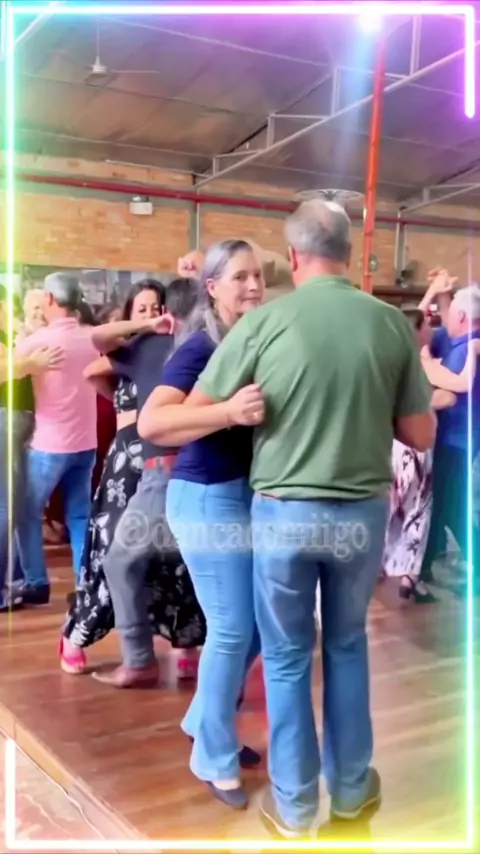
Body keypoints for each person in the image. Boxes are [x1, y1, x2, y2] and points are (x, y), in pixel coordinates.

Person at [183, 200, 435, 837]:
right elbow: (420, 435)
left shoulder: (264, 323)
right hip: (361, 515)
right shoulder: (389, 323)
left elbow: (194, 409)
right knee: (347, 646)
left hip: (283, 516)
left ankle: (294, 808)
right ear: (350, 252)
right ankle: (351, 794)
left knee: (288, 658)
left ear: (293, 256)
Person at [139, 240, 266, 809]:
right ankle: (212, 756)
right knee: (233, 628)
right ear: (212, 289)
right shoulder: (201, 346)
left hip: (242, 496)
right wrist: (228, 412)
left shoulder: (251, 338)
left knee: (255, 627)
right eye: (239, 277)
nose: (253, 286)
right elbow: (153, 423)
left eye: (257, 275)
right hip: (206, 496)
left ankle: (203, 720)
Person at [73, 277, 206, 689]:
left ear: (169, 310)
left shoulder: (160, 346)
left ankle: (140, 660)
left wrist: (148, 328)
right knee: (192, 564)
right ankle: (196, 656)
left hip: (164, 471)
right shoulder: (200, 345)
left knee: (122, 561)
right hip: (186, 469)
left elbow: (97, 342)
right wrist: (149, 326)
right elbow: (97, 344)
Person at [59, 280, 179, 674]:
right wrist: (144, 327)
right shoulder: (127, 350)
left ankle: (183, 642)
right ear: (129, 314)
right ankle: (78, 633)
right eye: (141, 308)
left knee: (168, 554)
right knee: (109, 548)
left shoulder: (170, 351)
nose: (151, 314)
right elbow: (94, 361)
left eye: (156, 307)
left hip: (162, 458)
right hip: (127, 462)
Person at [383, 307, 478, 603]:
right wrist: (473, 353)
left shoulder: (390, 359)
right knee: (417, 515)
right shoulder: (420, 363)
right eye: (427, 324)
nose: (434, 330)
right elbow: (458, 388)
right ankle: (410, 577)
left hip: (392, 446)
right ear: (417, 330)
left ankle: (397, 574)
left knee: (392, 511)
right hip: (416, 447)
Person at [15, 273, 99, 603]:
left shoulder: (39, 341)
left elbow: (11, 368)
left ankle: (36, 582)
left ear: (50, 299)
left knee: (27, 512)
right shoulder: (92, 338)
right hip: (86, 443)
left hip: (49, 445)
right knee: (79, 516)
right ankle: (84, 585)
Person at [0, 285, 62, 611]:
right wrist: (30, 362)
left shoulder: (20, 336)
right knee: (5, 507)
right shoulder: (19, 340)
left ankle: (24, 579)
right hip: (8, 421)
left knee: (20, 505)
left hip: (26, 425)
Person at [419, 283, 480, 592]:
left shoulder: (468, 349)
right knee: (443, 506)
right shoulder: (459, 341)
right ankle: (423, 566)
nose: (444, 317)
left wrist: (426, 367)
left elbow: (453, 390)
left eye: (451, 309)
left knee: (454, 509)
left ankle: (430, 567)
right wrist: (441, 293)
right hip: (455, 442)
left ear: (462, 317)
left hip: (460, 445)